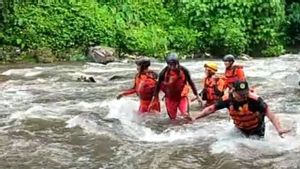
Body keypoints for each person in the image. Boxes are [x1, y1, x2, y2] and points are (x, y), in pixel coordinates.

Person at [191, 81, 290, 138]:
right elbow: (210, 109)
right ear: (233, 91)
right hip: (240, 127)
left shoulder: (254, 100)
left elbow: (270, 114)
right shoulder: (227, 99)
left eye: (245, 93)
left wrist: (279, 129)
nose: (244, 96)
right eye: (241, 94)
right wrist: (196, 117)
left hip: (256, 128)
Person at [152, 52, 201, 120]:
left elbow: (191, 82)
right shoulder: (164, 73)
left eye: (174, 64)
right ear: (168, 64)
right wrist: (155, 97)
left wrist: (197, 95)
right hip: (170, 99)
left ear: (178, 63)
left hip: (182, 97)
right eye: (170, 65)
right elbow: (158, 85)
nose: (172, 66)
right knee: (173, 119)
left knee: (186, 116)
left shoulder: (184, 71)